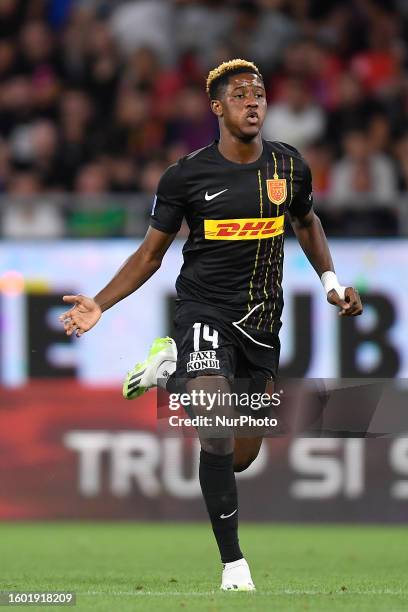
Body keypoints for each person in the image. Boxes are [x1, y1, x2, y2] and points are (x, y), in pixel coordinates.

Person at [59, 59, 363, 591]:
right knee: (216, 430)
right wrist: (101, 304)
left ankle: (169, 369)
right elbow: (151, 255)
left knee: (243, 454)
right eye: (241, 94)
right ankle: (234, 566)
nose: (254, 101)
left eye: (260, 93)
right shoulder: (186, 176)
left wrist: (332, 282)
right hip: (205, 311)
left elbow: (307, 223)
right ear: (218, 108)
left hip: (263, 323)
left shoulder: (289, 168)